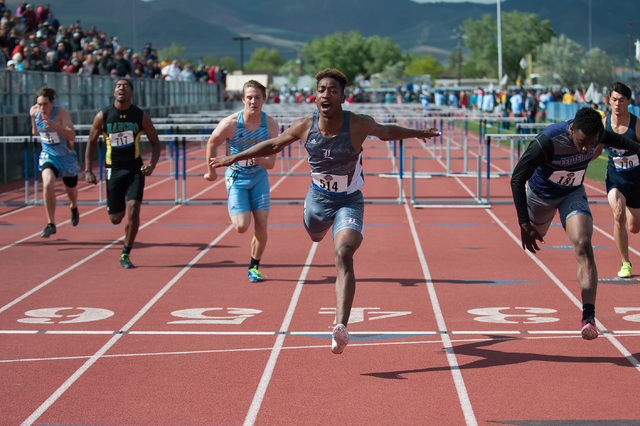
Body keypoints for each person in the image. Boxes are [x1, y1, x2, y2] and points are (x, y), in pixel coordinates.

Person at [211, 68, 440, 354]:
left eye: (333, 90)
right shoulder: (305, 126)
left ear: (343, 97)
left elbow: (386, 132)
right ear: (315, 96)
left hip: (349, 200)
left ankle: (340, 326)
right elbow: (272, 144)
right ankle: (318, 229)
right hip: (318, 199)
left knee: (343, 253)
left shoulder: (357, 124)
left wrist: (418, 133)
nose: (326, 94)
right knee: (316, 236)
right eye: (322, 90)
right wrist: (234, 156)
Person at [510, 107, 640, 341]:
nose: (586, 148)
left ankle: (588, 318)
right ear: (572, 130)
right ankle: (535, 224)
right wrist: (523, 223)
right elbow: (517, 177)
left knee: (583, 244)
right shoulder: (547, 141)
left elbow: (624, 142)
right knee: (537, 235)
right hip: (540, 196)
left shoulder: (597, 133)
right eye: (581, 142)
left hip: (572, 194)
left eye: (591, 144)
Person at [204, 80, 279, 282]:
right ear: (243, 99)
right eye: (249, 97)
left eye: (257, 97)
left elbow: (271, 164)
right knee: (241, 226)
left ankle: (254, 267)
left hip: (259, 177)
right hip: (236, 177)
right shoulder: (230, 124)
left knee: (262, 223)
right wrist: (211, 171)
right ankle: (236, 205)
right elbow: (212, 143)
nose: (253, 101)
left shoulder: (270, 125)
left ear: (264, 99)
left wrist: (260, 159)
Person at [85, 78, 161, 269]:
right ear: (114, 92)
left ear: (131, 93)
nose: (122, 89)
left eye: (126, 86)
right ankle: (117, 215)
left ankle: (125, 253)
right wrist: (88, 170)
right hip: (113, 169)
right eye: (118, 86)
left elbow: (155, 142)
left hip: (135, 168)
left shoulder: (140, 116)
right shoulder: (103, 116)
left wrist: (151, 164)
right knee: (115, 218)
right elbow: (92, 142)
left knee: (134, 208)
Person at [601, 82, 640, 278]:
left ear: (628, 102)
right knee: (618, 214)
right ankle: (626, 263)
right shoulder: (604, 124)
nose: (617, 104)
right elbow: (595, 151)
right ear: (609, 100)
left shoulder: (637, 124)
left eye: (621, 101)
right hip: (615, 177)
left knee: (634, 227)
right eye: (614, 100)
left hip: (636, 180)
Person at [29, 86, 79, 238]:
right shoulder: (34, 112)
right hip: (49, 156)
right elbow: (35, 132)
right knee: (48, 183)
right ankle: (51, 223)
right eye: (39, 104)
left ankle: (74, 206)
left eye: (45, 104)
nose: (42, 108)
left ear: (52, 103)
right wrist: (37, 122)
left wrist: (53, 126)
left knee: (71, 190)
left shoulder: (61, 113)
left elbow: (72, 136)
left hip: (66, 157)